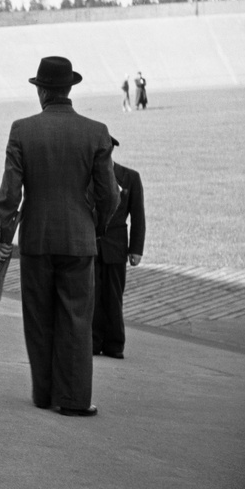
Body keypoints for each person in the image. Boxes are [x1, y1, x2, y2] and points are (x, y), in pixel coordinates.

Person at [0, 56, 119, 417]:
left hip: (36, 239)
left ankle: (44, 393)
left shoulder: (22, 130)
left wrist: (5, 237)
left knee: (38, 318)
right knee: (77, 320)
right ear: (68, 89)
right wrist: (94, 226)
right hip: (79, 239)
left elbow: (9, 194)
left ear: (42, 92)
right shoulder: (96, 131)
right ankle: (75, 399)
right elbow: (109, 195)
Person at [93, 138, 145, 359]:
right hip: (92, 247)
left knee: (114, 296)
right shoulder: (87, 177)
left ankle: (115, 344)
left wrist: (136, 249)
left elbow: (138, 216)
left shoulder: (130, 178)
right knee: (93, 296)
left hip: (116, 248)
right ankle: (93, 343)